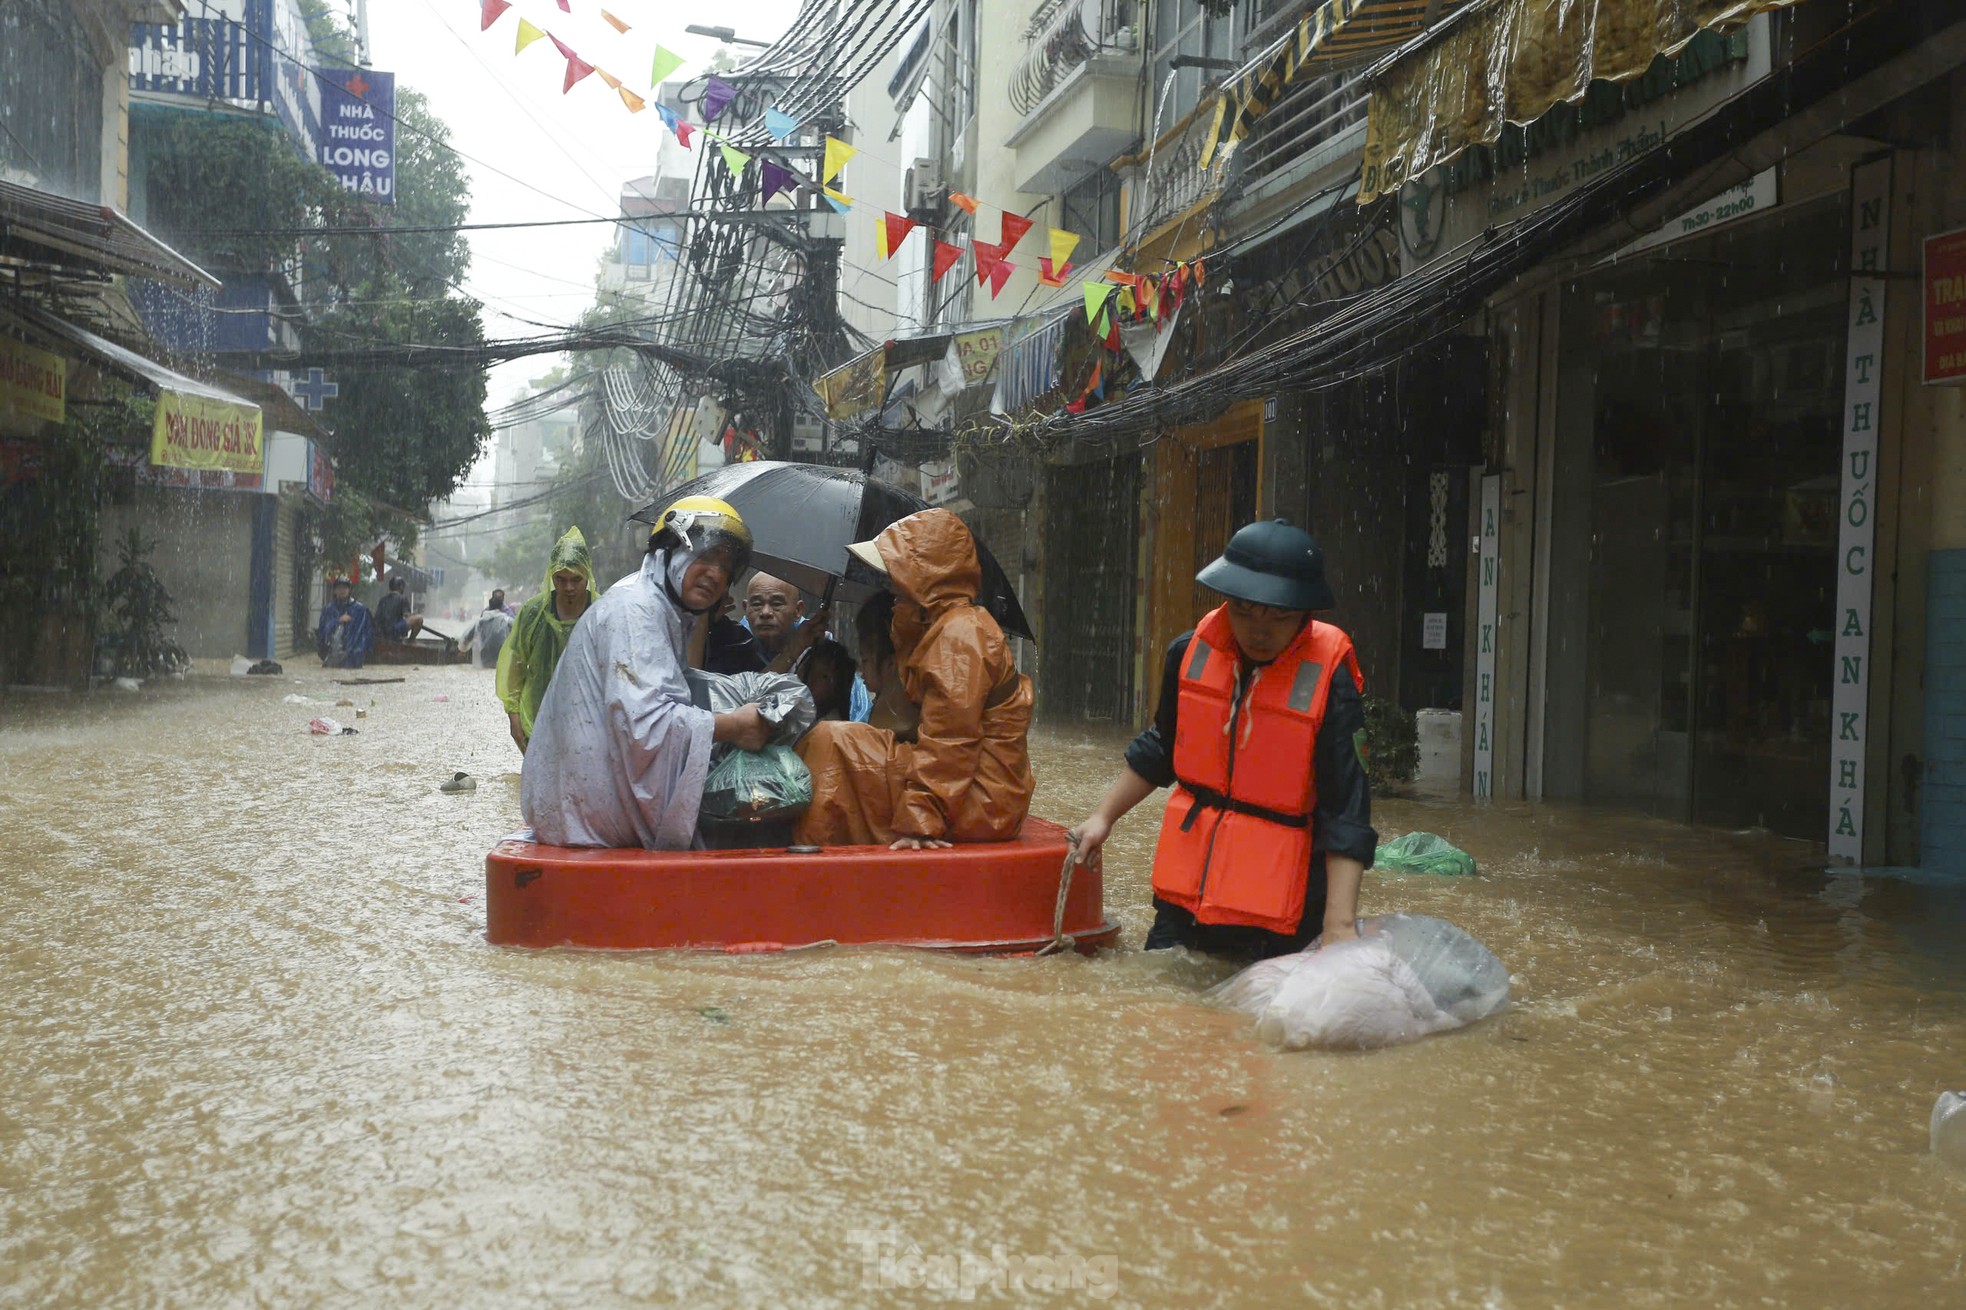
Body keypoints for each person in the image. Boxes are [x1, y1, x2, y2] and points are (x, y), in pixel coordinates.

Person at [1069, 519, 1376, 961]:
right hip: (1185, 904)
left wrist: (1339, 926)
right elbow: (1163, 746)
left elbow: (1347, 808)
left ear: (1305, 614)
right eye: (1244, 611)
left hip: (1279, 918)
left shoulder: (1332, 684)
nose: (1259, 630)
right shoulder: (1187, 653)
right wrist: (1103, 817)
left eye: (1278, 616)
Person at [520, 496, 772, 848]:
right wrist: (736, 726)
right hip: (589, 825)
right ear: (669, 551)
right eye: (706, 556)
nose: (717, 574)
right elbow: (646, 726)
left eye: (727, 567)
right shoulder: (635, 610)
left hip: (575, 815)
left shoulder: (661, 608)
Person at [794, 508, 1033, 851]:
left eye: (898, 576)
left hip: (980, 800)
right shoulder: (941, 627)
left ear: (924, 577)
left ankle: (814, 864)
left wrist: (921, 819)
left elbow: (951, 740)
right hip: (975, 792)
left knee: (832, 743)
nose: (892, 588)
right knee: (834, 739)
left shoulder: (960, 634)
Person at [496, 526, 600, 754]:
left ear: (588, 576)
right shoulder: (533, 613)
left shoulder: (602, 613)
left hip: (591, 728)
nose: (569, 587)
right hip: (537, 722)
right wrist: (514, 718)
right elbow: (514, 668)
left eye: (576, 579)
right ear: (551, 576)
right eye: (560, 579)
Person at [315, 576, 375, 669]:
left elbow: (367, 633)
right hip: (332, 655)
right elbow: (323, 631)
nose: (342, 590)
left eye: (345, 587)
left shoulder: (360, 610)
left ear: (349, 589)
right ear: (334, 590)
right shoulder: (329, 609)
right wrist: (338, 621)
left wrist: (363, 652)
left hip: (354, 657)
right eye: (339, 588)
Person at [800, 639, 858, 722]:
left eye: (823, 677)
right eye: (809, 672)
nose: (811, 681)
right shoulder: (800, 713)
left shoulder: (830, 726)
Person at [375, 576, 423, 643]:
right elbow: (407, 616)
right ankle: (411, 640)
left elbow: (377, 619)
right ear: (401, 587)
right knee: (419, 618)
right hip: (394, 632)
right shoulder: (402, 598)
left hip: (382, 633)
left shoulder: (382, 600)